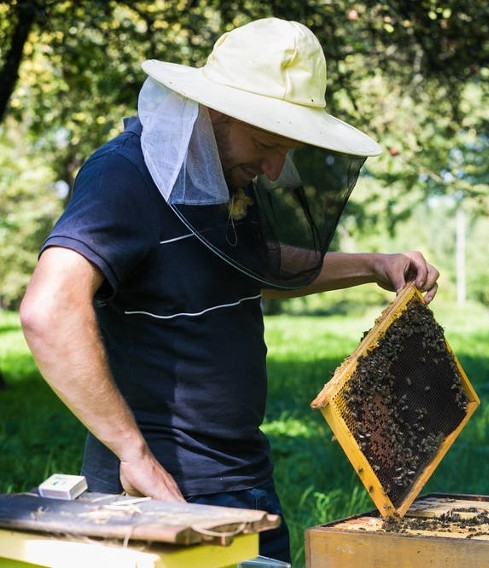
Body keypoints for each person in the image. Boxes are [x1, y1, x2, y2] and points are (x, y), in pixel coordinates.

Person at [19, 18, 439, 564]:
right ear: (216, 112)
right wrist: (133, 454)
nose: (274, 168)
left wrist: (373, 265)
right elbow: (48, 310)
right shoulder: (122, 176)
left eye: (287, 149)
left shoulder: (224, 174)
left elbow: (253, 266)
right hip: (156, 490)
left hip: (245, 475)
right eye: (266, 143)